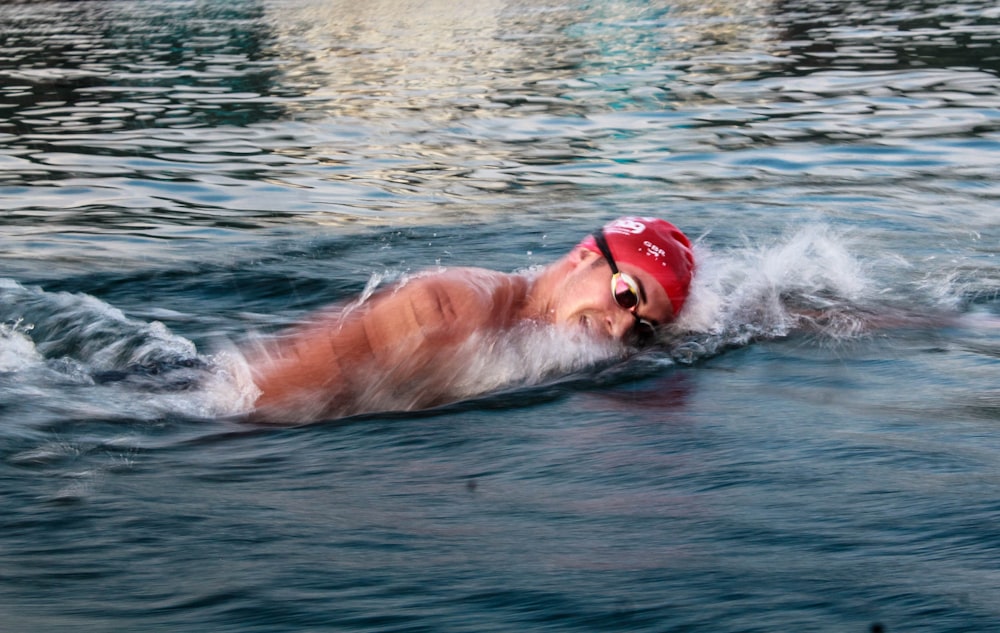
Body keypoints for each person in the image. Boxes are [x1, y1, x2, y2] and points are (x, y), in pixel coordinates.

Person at [246, 216, 695, 424]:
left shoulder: (537, 335)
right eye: (626, 295)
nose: (620, 328)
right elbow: (261, 400)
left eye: (643, 328)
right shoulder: (453, 309)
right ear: (583, 258)